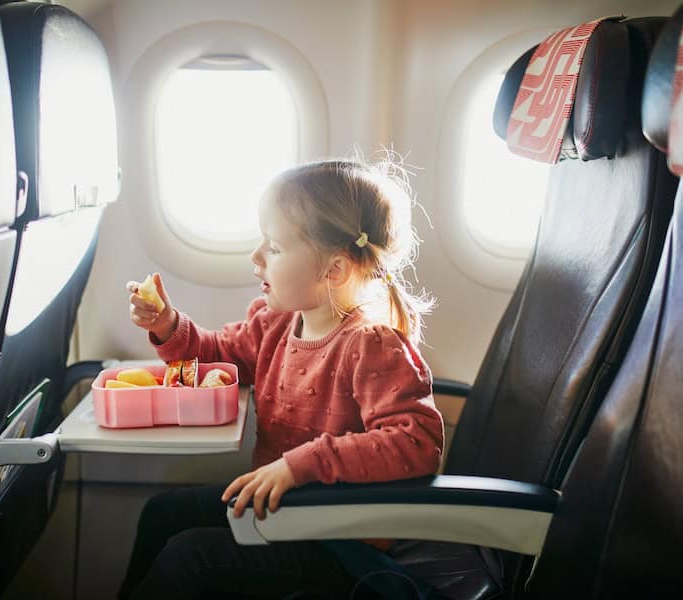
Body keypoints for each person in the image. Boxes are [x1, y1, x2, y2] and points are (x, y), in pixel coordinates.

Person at [119, 157, 444, 599]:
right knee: (163, 514)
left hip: (338, 539)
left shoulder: (371, 345)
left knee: (190, 557)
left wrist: (301, 465)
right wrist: (167, 324)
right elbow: (218, 356)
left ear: (335, 270)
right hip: (284, 513)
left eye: (273, 247)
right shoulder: (276, 322)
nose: (256, 257)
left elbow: (415, 441)